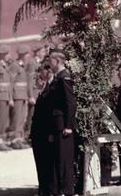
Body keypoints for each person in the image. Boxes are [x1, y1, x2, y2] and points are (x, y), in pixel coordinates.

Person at [48, 48, 76, 196]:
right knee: (57, 160)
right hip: (56, 125)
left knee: (64, 161)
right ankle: (60, 191)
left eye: (50, 60)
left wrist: (68, 126)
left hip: (63, 126)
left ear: (57, 61)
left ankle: (67, 191)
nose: (49, 63)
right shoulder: (57, 77)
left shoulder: (65, 77)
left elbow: (70, 103)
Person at [31, 62, 55, 196]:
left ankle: (48, 191)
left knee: (46, 164)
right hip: (38, 134)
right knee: (40, 164)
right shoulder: (43, 89)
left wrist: (51, 132)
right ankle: (43, 190)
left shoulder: (50, 90)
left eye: (41, 72)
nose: (39, 76)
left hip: (45, 133)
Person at [0, 45, 13, 151]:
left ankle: (0, 139)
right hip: (0, 96)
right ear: (3, 55)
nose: (9, 56)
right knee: (0, 119)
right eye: (7, 54)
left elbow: (8, 84)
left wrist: (10, 98)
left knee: (4, 119)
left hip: (5, 96)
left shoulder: (6, 66)